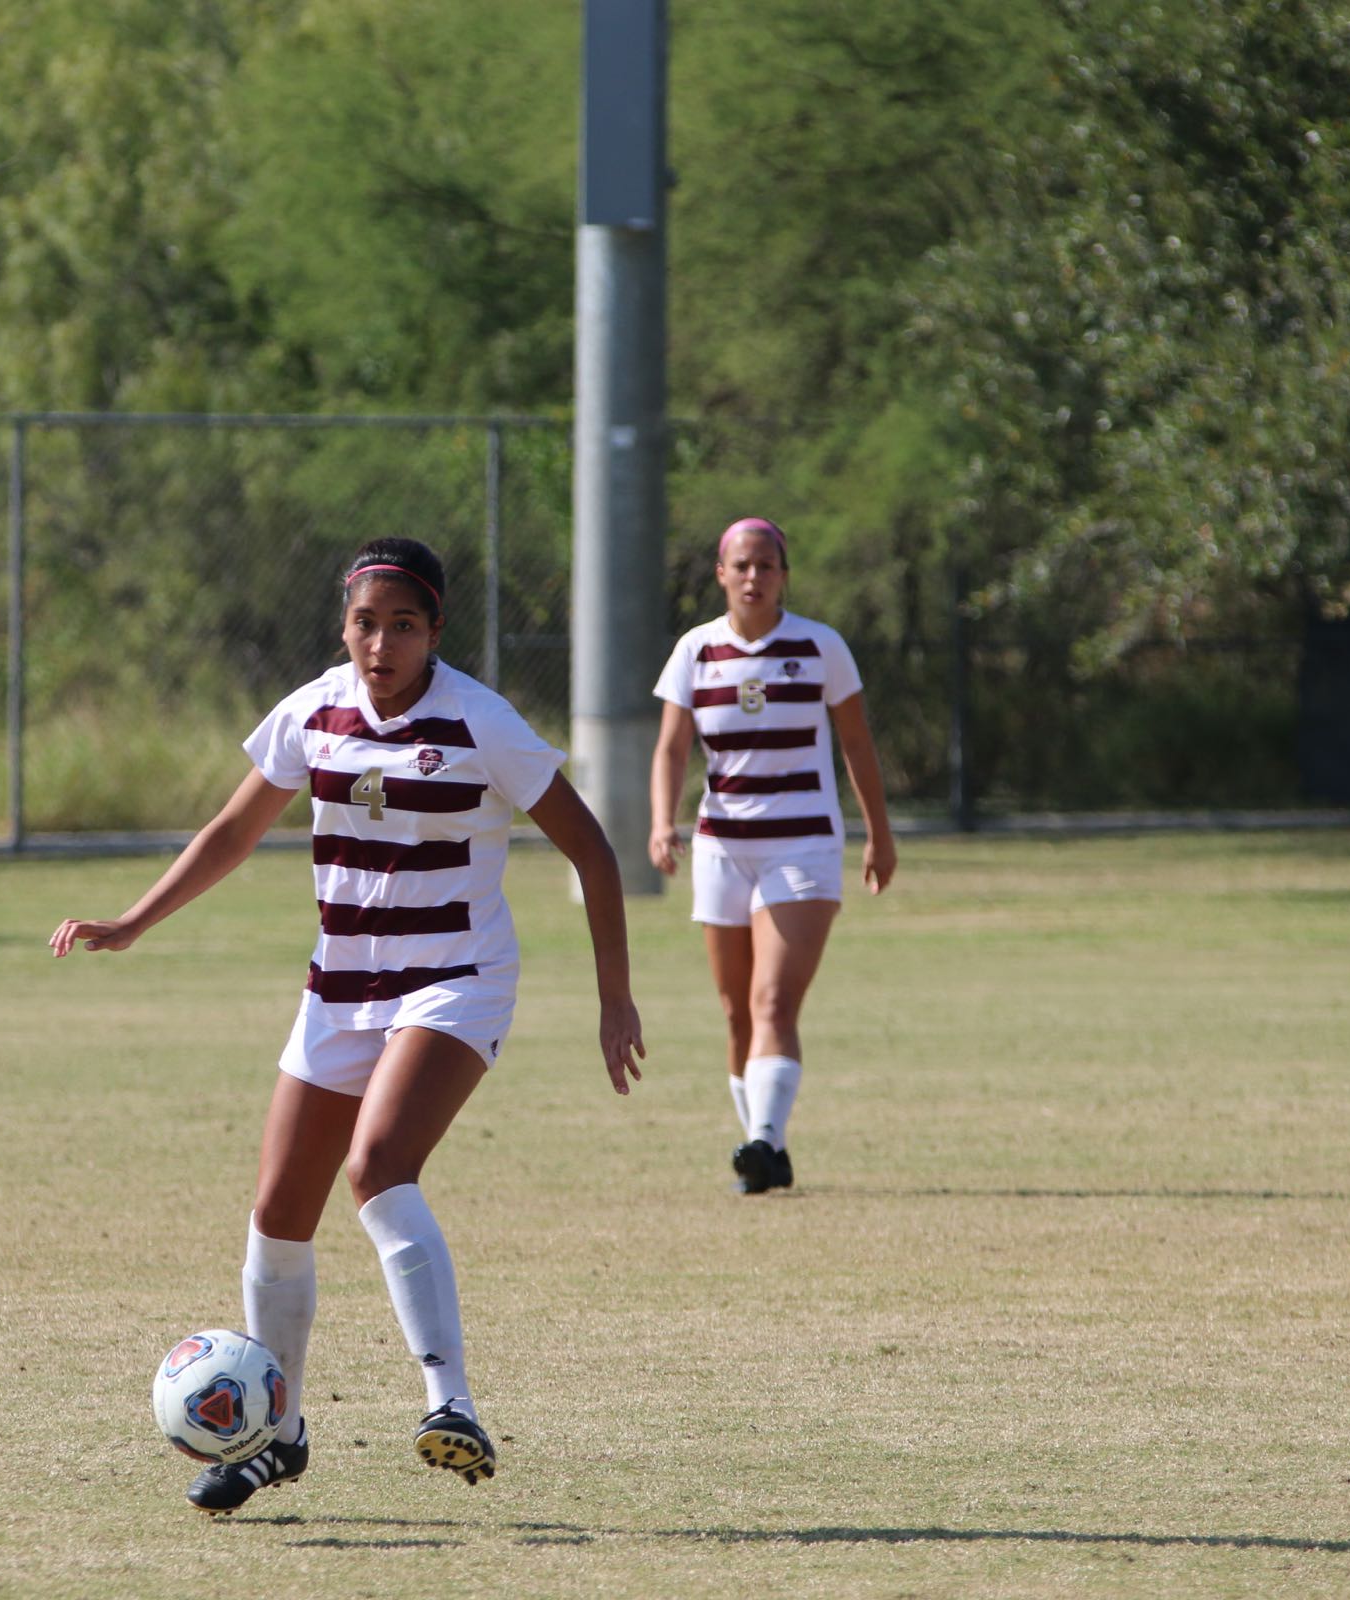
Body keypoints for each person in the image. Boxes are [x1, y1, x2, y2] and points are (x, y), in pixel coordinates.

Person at [51, 536, 645, 1515]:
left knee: (377, 1168)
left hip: (454, 982)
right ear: (344, 626)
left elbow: (592, 852)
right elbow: (233, 831)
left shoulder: (481, 722)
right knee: (280, 1211)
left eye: (403, 625)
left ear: (435, 631)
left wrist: (612, 995)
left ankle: (449, 1402)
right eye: (366, 623)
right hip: (341, 989)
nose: (381, 644)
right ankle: (273, 1437)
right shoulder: (315, 710)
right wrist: (131, 919)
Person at [646, 516, 895, 1196]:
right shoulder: (696, 651)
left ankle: (759, 1140)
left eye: (767, 566)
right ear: (721, 575)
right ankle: (769, 1152)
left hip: (803, 843)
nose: (754, 577)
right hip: (722, 848)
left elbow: (856, 744)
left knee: (772, 1000)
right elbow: (671, 746)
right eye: (742, 565)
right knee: (734, 1011)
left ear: (784, 575)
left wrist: (879, 831)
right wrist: (661, 823)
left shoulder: (820, 647)